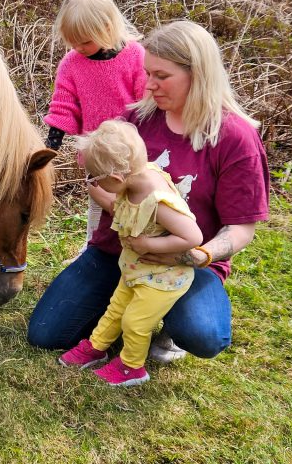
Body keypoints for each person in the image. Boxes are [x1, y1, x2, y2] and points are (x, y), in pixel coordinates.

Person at [27, 21, 270, 366]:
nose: (149, 84)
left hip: (187, 265)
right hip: (118, 251)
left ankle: (166, 318)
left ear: (198, 74)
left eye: (161, 76)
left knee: (204, 334)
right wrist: (118, 205)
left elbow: (241, 228)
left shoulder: (235, 138)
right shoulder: (134, 121)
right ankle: (125, 308)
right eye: (147, 73)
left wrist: (195, 255)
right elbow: (96, 180)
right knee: (46, 334)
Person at [56, 120, 202, 387]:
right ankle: (96, 346)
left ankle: (131, 367)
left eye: (94, 178)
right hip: (135, 268)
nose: (91, 182)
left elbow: (193, 237)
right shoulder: (133, 181)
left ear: (115, 179)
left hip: (162, 278)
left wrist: (150, 245)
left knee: (135, 322)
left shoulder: (157, 199)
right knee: (115, 310)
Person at [41, 0, 146, 259]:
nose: (78, 48)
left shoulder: (135, 56)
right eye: (72, 43)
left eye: (85, 42)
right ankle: (93, 247)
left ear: (107, 28)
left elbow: (145, 104)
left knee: (138, 201)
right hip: (96, 153)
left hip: (133, 151)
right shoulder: (71, 63)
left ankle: (138, 248)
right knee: (98, 202)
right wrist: (51, 146)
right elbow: (63, 103)